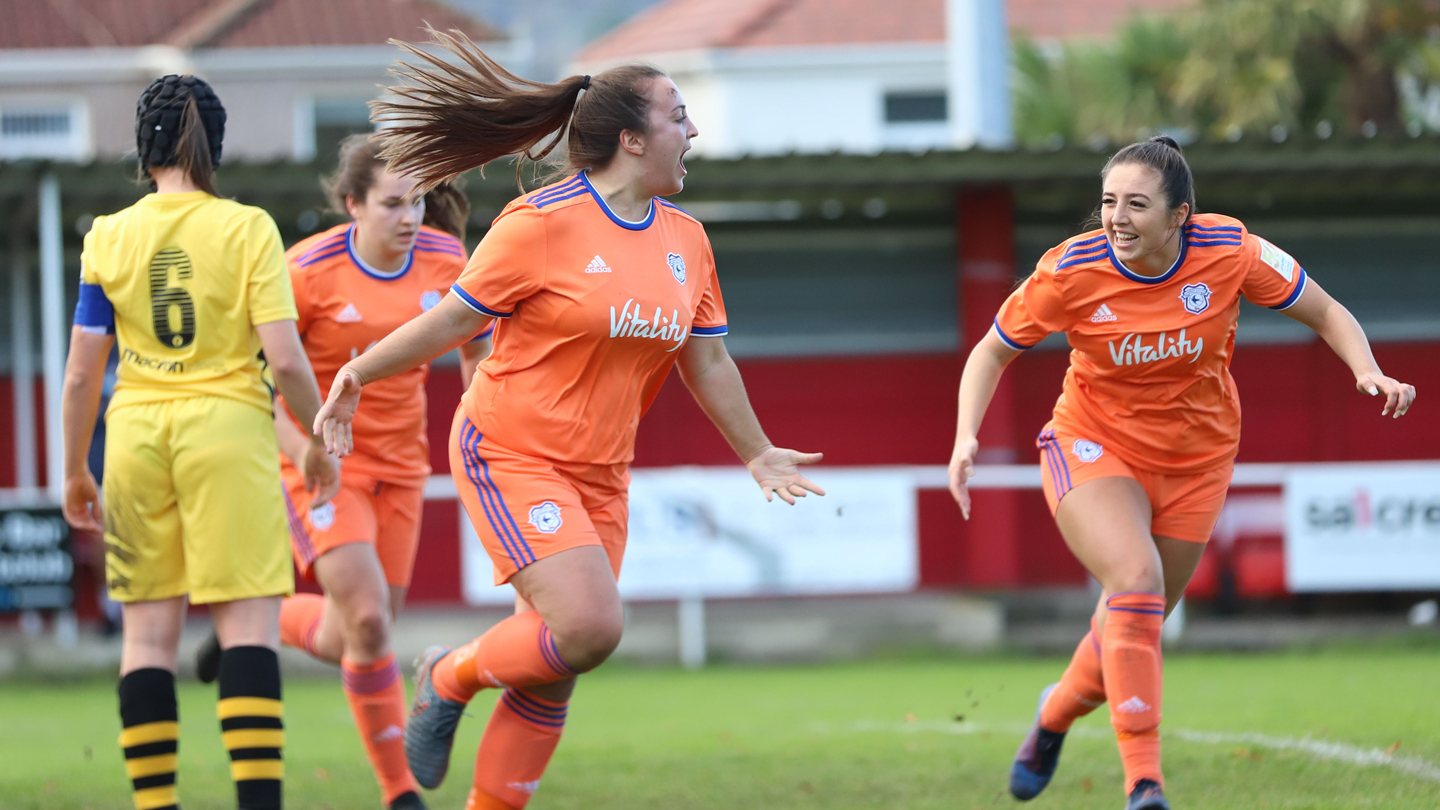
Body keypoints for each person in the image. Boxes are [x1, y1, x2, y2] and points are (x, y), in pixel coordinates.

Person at [310, 28, 825, 810]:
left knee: (554, 666)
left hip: (601, 471)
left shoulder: (687, 240)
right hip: (509, 451)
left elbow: (708, 360)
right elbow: (453, 322)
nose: (694, 132)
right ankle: (446, 674)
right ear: (630, 138)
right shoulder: (538, 222)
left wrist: (756, 454)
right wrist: (356, 369)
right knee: (589, 627)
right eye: (679, 116)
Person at [947, 135, 1416, 810]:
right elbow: (990, 353)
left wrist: (1365, 369)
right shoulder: (1070, 270)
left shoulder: (1231, 252)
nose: (1116, 218)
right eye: (1109, 201)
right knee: (1134, 586)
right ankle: (1145, 784)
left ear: (1180, 216)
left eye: (1137, 204)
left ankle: (1053, 716)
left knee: (1133, 622)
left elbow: (1325, 311)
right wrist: (966, 436)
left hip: (1198, 460)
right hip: (1093, 445)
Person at [61, 74, 337, 810]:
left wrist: (72, 473)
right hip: (226, 433)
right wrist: (321, 432)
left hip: (134, 440)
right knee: (247, 631)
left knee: (146, 641)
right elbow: (283, 360)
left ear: (141, 149)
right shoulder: (247, 229)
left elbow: (82, 372)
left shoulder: (107, 235)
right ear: (213, 146)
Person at [195, 135, 491, 810]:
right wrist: (301, 448)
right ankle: (399, 794)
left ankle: (252, 625)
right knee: (369, 624)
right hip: (321, 463)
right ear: (353, 204)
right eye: (392, 203)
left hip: (403, 464)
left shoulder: (447, 259)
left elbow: (478, 352)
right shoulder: (306, 270)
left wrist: (481, 427)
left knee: (356, 633)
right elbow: (250, 375)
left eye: (417, 201)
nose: (410, 216)